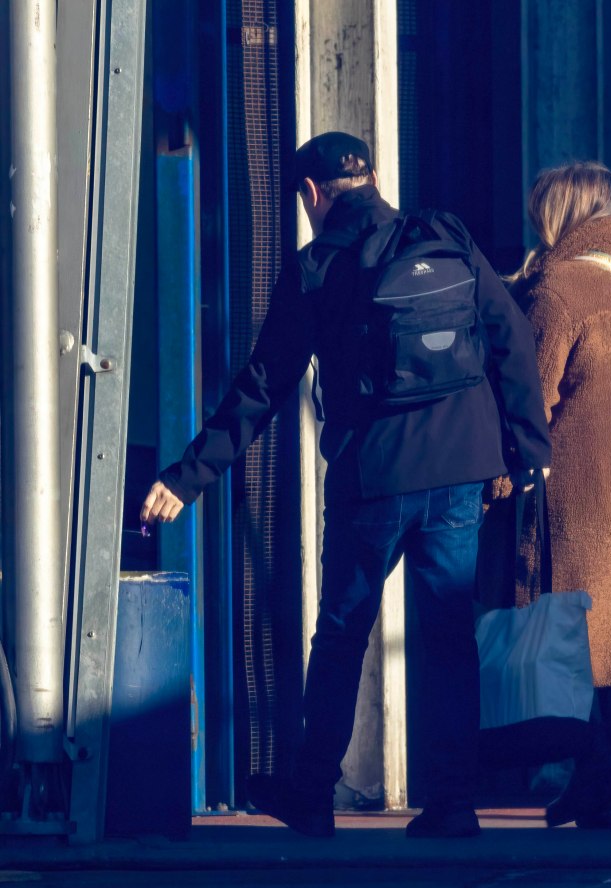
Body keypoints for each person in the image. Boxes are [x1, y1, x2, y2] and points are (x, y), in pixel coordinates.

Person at [140, 131, 551, 839]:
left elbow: (263, 385)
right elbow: (507, 334)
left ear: (310, 193)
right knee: (448, 637)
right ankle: (453, 804)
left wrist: (188, 477)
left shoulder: (317, 265)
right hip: (461, 471)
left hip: (376, 478)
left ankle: (311, 795)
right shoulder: (441, 234)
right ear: (371, 177)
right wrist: (527, 449)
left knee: (340, 636)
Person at [503, 161, 611, 828]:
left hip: (584, 485)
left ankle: (599, 780)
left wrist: (499, 482)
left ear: (559, 212)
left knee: (571, 640)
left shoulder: (558, 288)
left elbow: (532, 398)